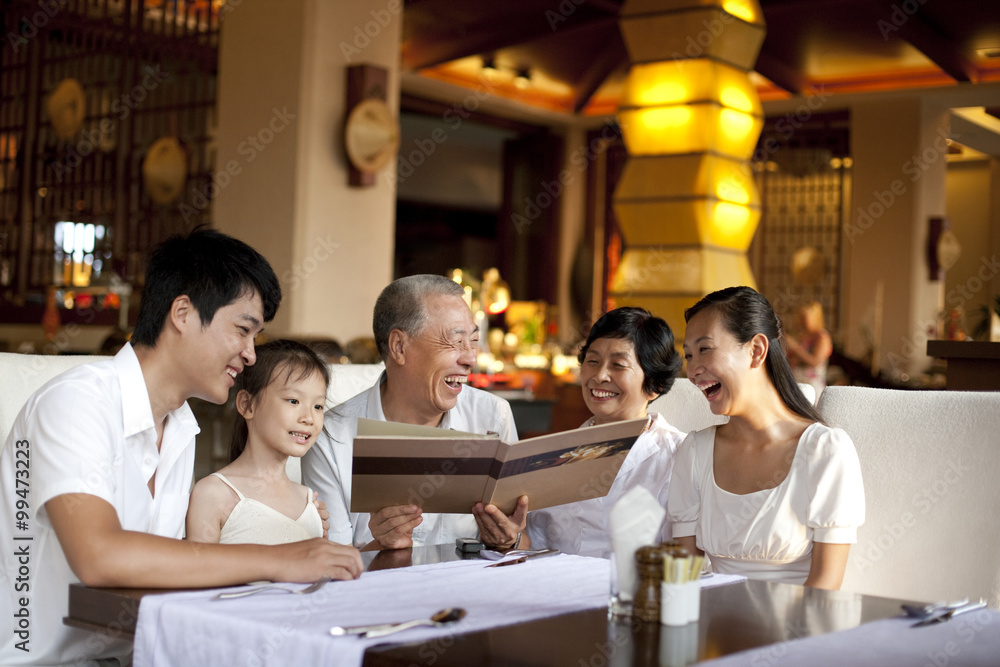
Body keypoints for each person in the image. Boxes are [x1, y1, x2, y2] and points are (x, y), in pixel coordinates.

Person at [0, 229, 362, 666]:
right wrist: (279, 559)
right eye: (243, 331)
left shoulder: (179, 427)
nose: (250, 355)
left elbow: (169, 569)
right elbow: (99, 556)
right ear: (183, 313)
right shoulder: (77, 402)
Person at [302, 274, 526, 551]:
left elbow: (526, 542)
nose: (470, 358)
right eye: (456, 341)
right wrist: (380, 546)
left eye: (473, 341)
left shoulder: (492, 416)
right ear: (399, 347)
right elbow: (329, 568)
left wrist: (508, 540)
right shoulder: (331, 437)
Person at [669, 286, 864, 590]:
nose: (692, 370)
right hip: (711, 630)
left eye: (705, 349)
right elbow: (685, 577)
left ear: (756, 350)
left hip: (796, 631)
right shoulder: (694, 452)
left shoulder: (824, 450)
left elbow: (825, 583)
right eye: (689, 356)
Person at [526, 307, 685, 558]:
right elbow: (532, 544)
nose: (599, 376)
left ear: (655, 384)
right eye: (592, 361)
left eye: (618, 365)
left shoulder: (681, 457)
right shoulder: (552, 454)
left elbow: (683, 560)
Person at [186, 340, 329, 545]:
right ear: (247, 405)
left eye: (318, 406)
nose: (309, 418)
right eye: (294, 401)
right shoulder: (213, 494)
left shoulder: (309, 500)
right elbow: (198, 572)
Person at [785, 301, 833, 397]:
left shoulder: (822, 337)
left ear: (815, 318)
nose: (800, 322)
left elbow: (815, 361)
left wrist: (795, 347)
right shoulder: (802, 336)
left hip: (812, 386)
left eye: (804, 318)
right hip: (797, 383)